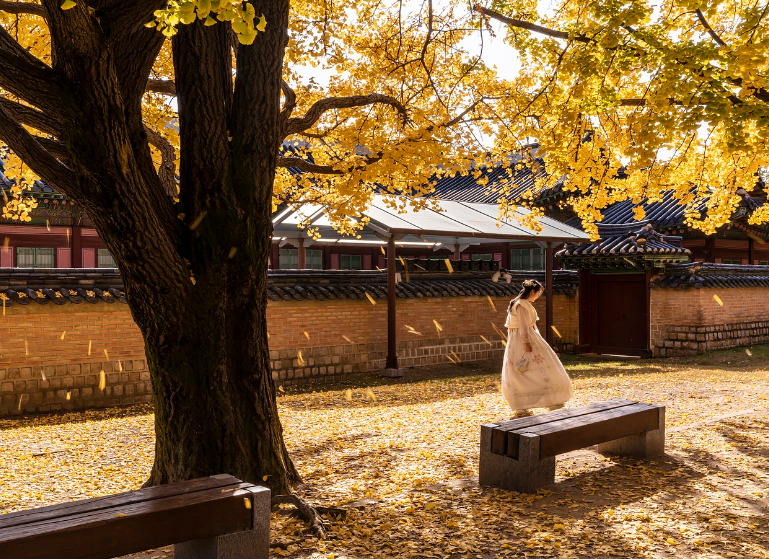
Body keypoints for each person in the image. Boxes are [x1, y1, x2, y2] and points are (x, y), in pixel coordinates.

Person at [501, 279, 573, 418]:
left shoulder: (524, 304)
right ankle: (527, 405)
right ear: (532, 291)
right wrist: (526, 342)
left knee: (533, 369)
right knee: (525, 369)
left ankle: (549, 401)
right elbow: (523, 326)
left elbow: (532, 325)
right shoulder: (521, 304)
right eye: (538, 293)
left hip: (528, 338)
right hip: (523, 339)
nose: (538, 296)